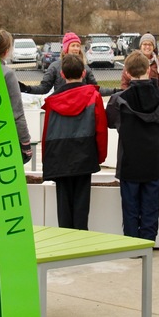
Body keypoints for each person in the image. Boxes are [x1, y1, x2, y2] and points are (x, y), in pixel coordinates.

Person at [107, 51, 159, 242]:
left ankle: (132, 242)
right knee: (151, 204)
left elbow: (110, 122)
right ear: (148, 69)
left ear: (126, 72)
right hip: (152, 160)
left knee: (130, 205)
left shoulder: (118, 100)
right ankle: (148, 241)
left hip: (129, 160)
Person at [41, 53, 108, 230]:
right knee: (82, 203)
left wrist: (46, 160)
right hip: (85, 154)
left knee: (63, 205)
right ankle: (81, 242)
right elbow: (101, 129)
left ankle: (65, 244)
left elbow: (47, 132)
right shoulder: (94, 97)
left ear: (62, 74)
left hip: (59, 155)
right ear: (84, 73)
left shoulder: (52, 102)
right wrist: (100, 156)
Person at [21, 32, 117, 96]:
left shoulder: (85, 68)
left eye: (78, 46)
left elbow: (96, 89)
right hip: (61, 106)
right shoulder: (55, 66)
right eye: (73, 45)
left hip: (81, 108)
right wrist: (27, 89)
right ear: (66, 48)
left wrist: (116, 91)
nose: (76, 48)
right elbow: (44, 88)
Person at [0, 29, 32, 164]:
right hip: (5, 136)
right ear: (6, 51)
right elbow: (17, 113)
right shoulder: (7, 74)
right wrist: (26, 143)